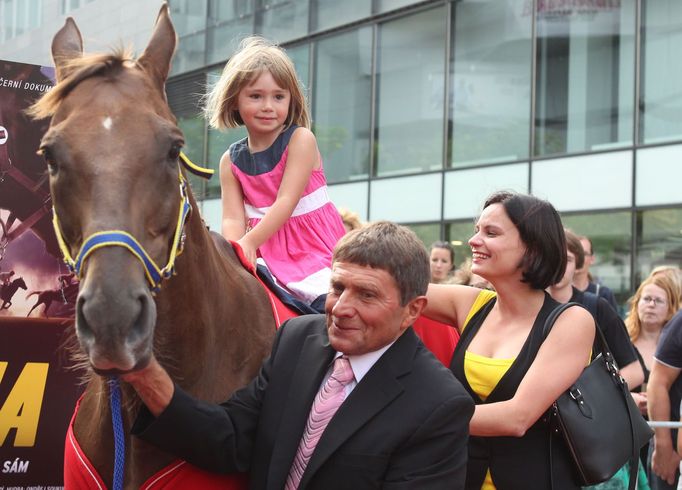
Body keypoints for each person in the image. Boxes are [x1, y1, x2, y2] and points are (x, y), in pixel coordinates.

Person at [125, 221, 475, 489]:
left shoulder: (438, 406)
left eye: (366, 295)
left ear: (412, 311)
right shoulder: (297, 339)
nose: (341, 308)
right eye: (337, 288)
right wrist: (145, 373)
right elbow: (231, 439)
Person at [425, 191, 595, 489]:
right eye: (477, 230)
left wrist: (417, 418)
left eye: (491, 232)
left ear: (533, 248)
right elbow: (393, 291)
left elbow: (517, 417)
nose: (473, 241)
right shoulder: (473, 303)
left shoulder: (571, 321)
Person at [206, 36, 346, 309]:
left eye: (278, 96)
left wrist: (249, 241)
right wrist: (235, 253)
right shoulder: (230, 161)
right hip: (263, 250)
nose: (268, 106)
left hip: (311, 247)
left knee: (328, 307)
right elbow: (233, 218)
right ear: (235, 100)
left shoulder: (300, 140)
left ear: (291, 99)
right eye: (256, 96)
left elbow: (286, 202)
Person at [547, 229, 643, 389]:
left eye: (568, 259)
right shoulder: (528, 306)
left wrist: (595, 396)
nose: (559, 265)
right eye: (553, 257)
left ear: (577, 266)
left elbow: (634, 371)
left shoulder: (597, 306)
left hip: (583, 409)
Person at [627, 275, 681, 416]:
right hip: (627, 425)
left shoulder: (675, 346)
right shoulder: (621, 341)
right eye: (646, 299)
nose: (651, 305)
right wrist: (630, 399)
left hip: (667, 423)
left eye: (658, 301)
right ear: (636, 303)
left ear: (670, 308)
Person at [573, 235, 619, 312]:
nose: (579, 259)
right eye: (575, 254)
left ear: (592, 259)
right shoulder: (558, 292)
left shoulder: (604, 294)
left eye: (584, 254)